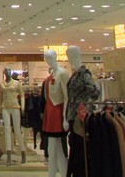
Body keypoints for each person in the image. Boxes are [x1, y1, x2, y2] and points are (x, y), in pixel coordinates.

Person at [65, 45, 100, 177]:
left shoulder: (84, 74)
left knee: (80, 149)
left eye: (69, 55)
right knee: (75, 147)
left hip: (79, 118)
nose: (68, 59)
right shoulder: (76, 74)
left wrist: (85, 106)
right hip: (73, 116)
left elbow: (95, 92)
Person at [43, 49, 69, 177]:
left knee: (53, 148)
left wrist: (65, 118)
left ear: (55, 56)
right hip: (50, 111)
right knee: (57, 148)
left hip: (57, 112)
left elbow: (66, 97)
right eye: (46, 59)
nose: (48, 61)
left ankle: (52, 174)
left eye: (50, 58)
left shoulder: (62, 73)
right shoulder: (52, 74)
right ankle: (63, 173)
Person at [0, 67, 26, 165]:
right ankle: (8, 156)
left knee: (17, 130)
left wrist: (22, 107)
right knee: (7, 130)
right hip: (5, 107)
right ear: (4, 72)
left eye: (9, 70)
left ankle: (23, 152)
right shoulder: (1, 84)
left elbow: (22, 95)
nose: (7, 72)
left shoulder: (16, 83)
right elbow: (0, 97)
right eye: (5, 70)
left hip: (15, 106)